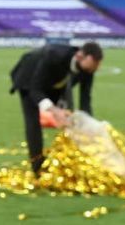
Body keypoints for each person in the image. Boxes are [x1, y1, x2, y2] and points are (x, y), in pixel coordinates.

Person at [9, 41, 103, 175]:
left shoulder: (88, 68)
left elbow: (85, 100)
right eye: (94, 63)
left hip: (57, 83)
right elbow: (35, 89)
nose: (96, 68)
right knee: (33, 121)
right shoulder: (54, 56)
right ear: (81, 56)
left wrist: (89, 125)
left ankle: (70, 161)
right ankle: (38, 167)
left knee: (68, 119)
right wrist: (54, 110)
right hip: (29, 78)